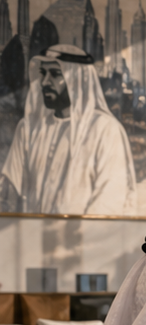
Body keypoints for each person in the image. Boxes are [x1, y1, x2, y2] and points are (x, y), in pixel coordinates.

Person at [0, 43, 135, 214]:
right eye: (43, 73)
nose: (45, 82)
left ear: (78, 81)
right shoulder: (28, 129)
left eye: (55, 74)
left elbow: (108, 203)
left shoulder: (105, 130)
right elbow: (10, 194)